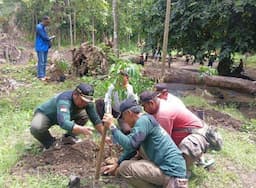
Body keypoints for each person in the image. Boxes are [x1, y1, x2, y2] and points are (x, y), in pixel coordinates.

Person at [101, 99, 188, 188]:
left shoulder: (143, 121)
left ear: (129, 113)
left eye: (123, 117)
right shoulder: (145, 120)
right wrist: (116, 164)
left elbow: (130, 144)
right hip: (172, 171)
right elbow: (132, 149)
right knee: (126, 164)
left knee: (124, 168)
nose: (125, 121)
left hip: (172, 174)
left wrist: (112, 127)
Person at [139, 91, 214, 172]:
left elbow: (162, 143)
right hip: (191, 133)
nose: (144, 110)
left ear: (151, 103)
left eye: (144, 106)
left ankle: (182, 170)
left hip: (196, 139)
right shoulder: (161, 104)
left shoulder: (163, 114)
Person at [30, 83, 110, 150]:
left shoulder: (87, 102)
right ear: (75, 95)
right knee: (36, 127)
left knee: (84, 115)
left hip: (66, 115)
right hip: (45, 115)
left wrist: (104, 135)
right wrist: (81, 129)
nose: (85, 104)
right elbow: (63, 122)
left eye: (87, 102)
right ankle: (50, 143)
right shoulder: (64, 100)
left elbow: (95, 119)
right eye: (82, 101)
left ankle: (69, 137)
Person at [96, 69, 138, 134]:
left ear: (127, 78)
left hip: (123, 113)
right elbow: (108, 100)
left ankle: (123, 124)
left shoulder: (130, 89)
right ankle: (103, 124)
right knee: (99, 102)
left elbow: (135, 103)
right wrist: (108, 114)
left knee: (127, 131)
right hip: (113, 110)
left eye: (122, 78)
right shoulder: (113, 87)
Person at [35, 16, 55, 81]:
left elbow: (46, 37)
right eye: (47, 22)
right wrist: (51, 38)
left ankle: (43, 75)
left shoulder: (43, 27)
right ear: (43, 20)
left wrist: (49, 43)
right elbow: (44, 37)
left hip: (45, 46)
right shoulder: (39, 27)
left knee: (44, 62)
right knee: (41, 61)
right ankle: (40, 76)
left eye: (48, 23)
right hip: (40, 46)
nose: (47, 24)